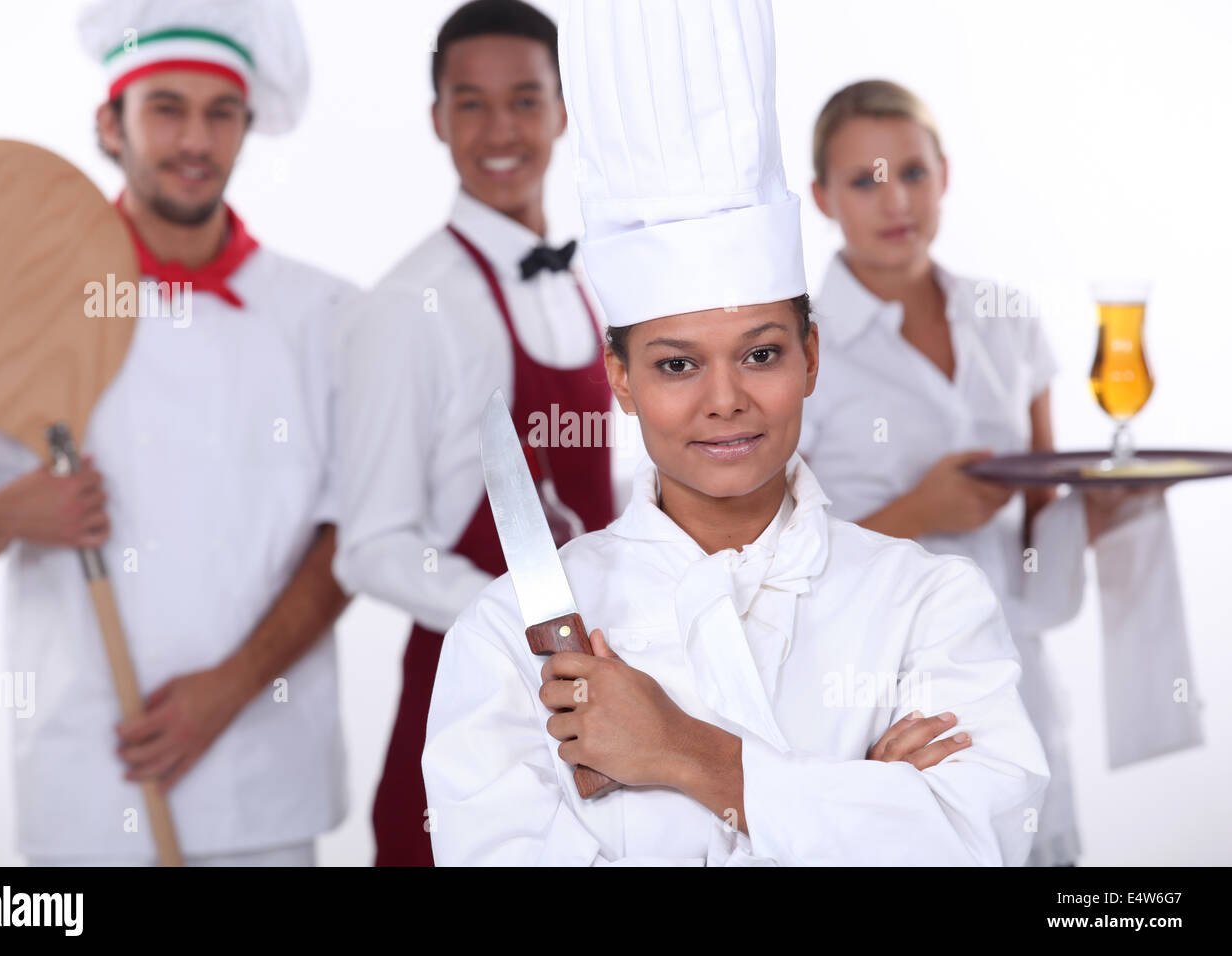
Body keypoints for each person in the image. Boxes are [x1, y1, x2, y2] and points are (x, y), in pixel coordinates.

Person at [420, 0, 1050, 866]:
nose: (727, 401)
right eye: (677, 365)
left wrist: (687, 754)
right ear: (622, 381)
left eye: (760, 353)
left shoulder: (928, 603)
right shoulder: (508, 639)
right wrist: (859, 803)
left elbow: (986, 840)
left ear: (811, 358)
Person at [0, 0, 358, 865]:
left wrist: (230, 690)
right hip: (89, 779)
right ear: (110, 123)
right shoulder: (25, 307)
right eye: (166, 106)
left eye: (220, 112)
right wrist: (9, 514)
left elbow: (354, 531)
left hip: (263, 783)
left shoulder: (328, 318)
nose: (194, 140)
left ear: (246, 127)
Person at [799, 79, 1200, 866]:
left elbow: (1036, 543)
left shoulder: (1006, 320)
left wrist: (1110, 504)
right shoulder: (794, 348)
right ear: (820, 197)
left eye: (912, 173)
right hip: (878, 702)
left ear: (944, 175)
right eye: (863, 181)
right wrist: (920, 508)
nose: (895, 201)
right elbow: (767, 560)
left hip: (1018, 688)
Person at [333, 0, 626, 866]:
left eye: (526, 100)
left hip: (600, 692)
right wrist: (524, 625)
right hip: (469, 696)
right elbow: (371, 547)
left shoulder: (593, 285)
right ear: (437, 119)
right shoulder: (405, 307)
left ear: (564, 109)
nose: (502, 128)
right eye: (472, 103)